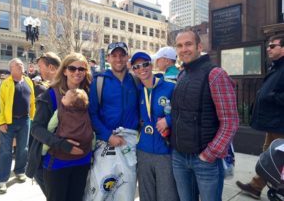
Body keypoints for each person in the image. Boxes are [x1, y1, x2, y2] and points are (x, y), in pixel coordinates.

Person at [171, 30, 239, 201]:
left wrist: (210, 154)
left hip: (205, 160)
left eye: (188, 44)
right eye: (179, 45)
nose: (184, 49)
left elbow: (230, 122)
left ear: (199, 46)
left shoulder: (215, 74)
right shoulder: (182, 74)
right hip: (179, 157)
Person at [27, 53, 93, 201]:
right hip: (57, 162)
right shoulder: (50, 95)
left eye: (81, 69)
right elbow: (36, 128)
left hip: (83, 161)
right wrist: (63, 145)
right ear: (64, 70)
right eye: (72, 68)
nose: (77, 72)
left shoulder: (89, 94)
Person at [88, 42, 140, 200]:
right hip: (106, 144)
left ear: (127, 57)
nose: (118, 59)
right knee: (102, 190)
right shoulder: (99, 81)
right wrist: (107, 136)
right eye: (114, 55)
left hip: (129, 145)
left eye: (122, 55)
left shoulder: (136, 81)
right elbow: (92, 113)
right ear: (108, 58)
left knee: (126, 189)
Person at [236, 34, 284, 200]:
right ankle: (256, 186)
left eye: (273, 46)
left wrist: (271, 96)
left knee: (275, 157)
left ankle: (261, 186)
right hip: (274, 122)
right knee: (269, 156)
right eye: (268, 46)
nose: (268, 49)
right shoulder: (276, 67)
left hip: (280, 121)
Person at [131, 51, 179, 201]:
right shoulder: (136, 91)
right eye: (137, 66)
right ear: (133, 70)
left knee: (167, 196)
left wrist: (168, 120)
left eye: (145, 64)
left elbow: (184, 111)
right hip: (143, 151)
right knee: (146, 196)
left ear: (151, 65)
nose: (142, 69)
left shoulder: (170, 87)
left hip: (165, 150)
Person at [0, 58, 36, 194]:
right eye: (18, 65)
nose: (21, 66)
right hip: (8, 122)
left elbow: (32, 101)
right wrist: (1, 122)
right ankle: (1, 180)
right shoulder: (4, 84)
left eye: (22, 64)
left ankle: (19, 171)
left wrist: (32, 117)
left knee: (23, 148)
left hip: (25, 120)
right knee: (6, 151)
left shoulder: (28, 81)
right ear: (11, 68)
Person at [27, 51, 61, 195]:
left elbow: (36, 129)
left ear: (52, 68)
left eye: (41, 66)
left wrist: (59, 143)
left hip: (50, 160)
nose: (38, 70)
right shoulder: (55, 91)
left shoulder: (49, 95)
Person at [41, 88, 90, 155]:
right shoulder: (84, 113)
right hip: (81, 139)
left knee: (49, 142)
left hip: (64, 137)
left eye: (65, 97)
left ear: (71, 104)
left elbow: (51, 126)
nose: (63, 96)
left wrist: (49, 132)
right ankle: (92, 149)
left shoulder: (60, 111)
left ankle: (43, 151)